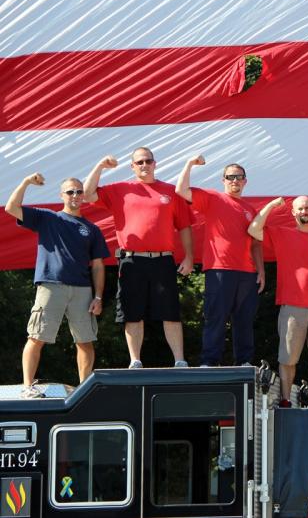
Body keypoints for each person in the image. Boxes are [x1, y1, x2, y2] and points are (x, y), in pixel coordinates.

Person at [83, 149, 193, 368]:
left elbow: (184, 226)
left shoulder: (171, 191)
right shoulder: (120, 189)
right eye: (139, 162)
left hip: (163, 260)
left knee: (170, 311)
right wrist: (100, 166)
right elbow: (87, 194)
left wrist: (189, 257)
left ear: (155, 164)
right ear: (132, 166)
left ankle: (180, 360)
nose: (144, 165)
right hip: (132, 261)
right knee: (132, 312)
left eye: (148, 161)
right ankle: (135, 361)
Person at [5, 174, 109, 398]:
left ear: (84, 196)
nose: (75, 195)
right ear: (61, 195)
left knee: (85, 341)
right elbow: (11, 208)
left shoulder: (91, 229)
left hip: (82, 290)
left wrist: (98, 296)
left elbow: (98, 266)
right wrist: (26, 182)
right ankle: (27, 387)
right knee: (36, 336)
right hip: (51, 286)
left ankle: (84, 391)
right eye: (70, 191)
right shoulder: (47, 218)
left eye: (79, 191)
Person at [248, 196, 308, 406]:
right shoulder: (282, 233)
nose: (304, 211)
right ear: (293, 212)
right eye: (300, 208)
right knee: (288, 359)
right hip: (292, 307)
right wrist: (271, 205)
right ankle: (285, 401)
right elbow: (254, 229)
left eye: (307, 208)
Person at [176, 156, 265, 367]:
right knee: (216, 316)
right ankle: (209, 362)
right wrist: (189, 164)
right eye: (230, 177)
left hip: (247, 272)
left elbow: (256, 244)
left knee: (244, 320)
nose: (235, 180)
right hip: (219, 269)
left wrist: (261, 271)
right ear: (223, 180)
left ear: (245, 181)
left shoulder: (251, 210)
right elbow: (181, 190)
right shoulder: (213, 198)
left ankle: (244, 363)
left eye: (239, 177)